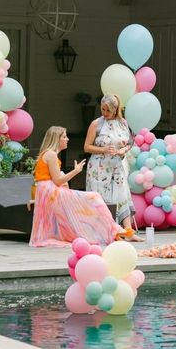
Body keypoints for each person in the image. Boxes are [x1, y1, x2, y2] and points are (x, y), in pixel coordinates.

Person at [30, 126, 122, 247]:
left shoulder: (49, 154)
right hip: (50, 191)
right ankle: (111, 231)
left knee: (90, 198)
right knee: (94, 197)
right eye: (64, 136)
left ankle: (111, 230)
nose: (67, 139)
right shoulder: (51, 154)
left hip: (48, 191)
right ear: (56, 139)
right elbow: (57, 180)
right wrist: (76, 171)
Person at [84, 94, 142, 240]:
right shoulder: (97, 124)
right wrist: (103, 149)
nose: (104, 113)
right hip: (99, 166)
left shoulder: (123, 123)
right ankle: (108, 231)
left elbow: (130, 142)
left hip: (118, 165)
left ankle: (128, 231)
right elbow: (87, 147)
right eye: (102, 109)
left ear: (115, 110)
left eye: (107, 110)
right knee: (102, 197)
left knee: (122, 194)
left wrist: (124, 149)